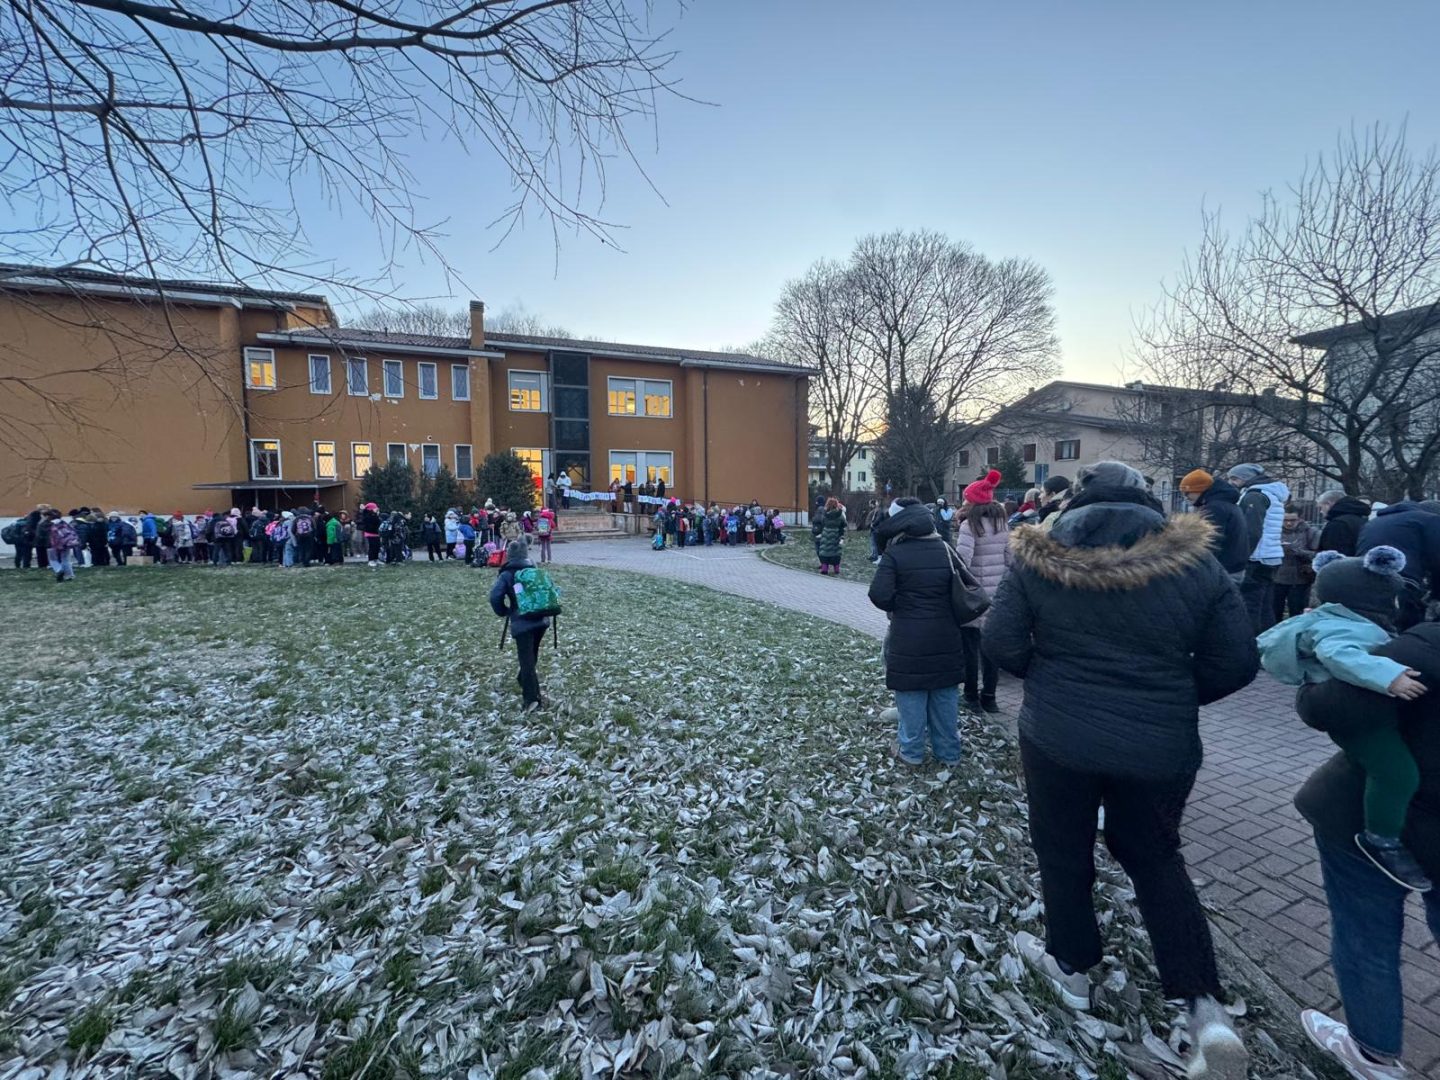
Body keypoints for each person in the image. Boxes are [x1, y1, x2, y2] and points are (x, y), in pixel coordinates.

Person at [984, 460, 1257, 1077]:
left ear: (1075, 502)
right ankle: (1205, 1010)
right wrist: (1169, 696)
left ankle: (1072, 968)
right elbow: (1237, 661)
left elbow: (1000, 643)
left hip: (1058, 737)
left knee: (1062, 849)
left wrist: (1053, 682)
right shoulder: (1198, 563)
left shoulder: (1038, 556)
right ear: (1149, 504)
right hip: (1160, 746)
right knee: (1158, 856)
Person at [1293, 622, 1440, 1080]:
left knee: (1366, 935)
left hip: (1375, 823)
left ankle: (1373, 1055)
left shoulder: (1425, 647)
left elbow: (1330, 703)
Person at [1259, 546, 1431, 891]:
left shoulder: (1344, 619)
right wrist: (1388, 676)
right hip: (1360, 720)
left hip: (1352, 714)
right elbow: (1339, 654)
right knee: (1398, 773)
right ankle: (1381, 838)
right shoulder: (1346, 628)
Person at [867, 497, 966, 768]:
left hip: (908, 635)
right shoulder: (946, 549)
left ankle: (911, 751)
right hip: (946, 634)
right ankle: (949, 752)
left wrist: (901, 605)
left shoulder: (895, 554)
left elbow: (879, 594)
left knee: (911, 691)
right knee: (945, 692)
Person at [954, 469, 1009, 714]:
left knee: (970, 650)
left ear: (971, 501)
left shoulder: (969, 525)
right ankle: (990, 697)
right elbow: (1011, 560)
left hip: (974, 597)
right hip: (996, 597)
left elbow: (963, 561)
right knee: (990, 650)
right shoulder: (1002, 524)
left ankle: (970, 695)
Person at [489, 539, 552, 712]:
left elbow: (495, 597)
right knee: (532, 654)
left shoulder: (506, 574)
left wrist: (504, 611)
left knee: (526, 661)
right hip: (541, 620)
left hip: (522, 623)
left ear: (509, 556)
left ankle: (532, 700)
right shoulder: (534, 569)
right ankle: (524, 679)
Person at [1358, 500, 1440, 631]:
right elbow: (1437, 559)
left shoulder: (1374, 522)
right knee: (1407, 631)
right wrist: (1436, 595)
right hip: (1402, 583)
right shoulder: (1431, 520)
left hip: (1363, 581)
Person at [1228, 462, 1290, 634]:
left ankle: (1251, 643)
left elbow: (1251, 531)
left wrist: (1241, 555)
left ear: (1246, 479)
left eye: (1234, 478)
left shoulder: (1253, 496)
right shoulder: (1272, 494)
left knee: (1250, 606)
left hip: (1256, 557)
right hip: (1271, 556)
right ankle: (1266, 642)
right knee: (1264, 606)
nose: (1231, 482)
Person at [1179, 470, 1251, 584]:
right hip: (1233, 568)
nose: (1186, 497)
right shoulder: (1227, 504)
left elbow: (1208, 543)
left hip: (1222, 570)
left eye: (1187, 492)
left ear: (1200, 490)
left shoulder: (1214, 508)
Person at [1273, 505, 1319, 622]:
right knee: (1274, 612)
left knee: (1297, 613)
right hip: (1277, 578)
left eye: (1292, 520)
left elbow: (1317, 554)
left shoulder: (1310, 532)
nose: (1288, 523)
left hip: (1300, 579)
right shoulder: (1274, 532)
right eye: (1285, 520)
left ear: (1300, 519)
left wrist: (1297, 551)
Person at [1316, 489, 1371, 557]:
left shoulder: (1337, 524)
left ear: (1328, 503)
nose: (1321, 511)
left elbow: (1332, 555)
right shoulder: (1362, 520)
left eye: (1321, 507)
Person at [45, 509, 80, 581]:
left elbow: (44, 535)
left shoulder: (48, 524)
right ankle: (69, 575)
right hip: (66, 543)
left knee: (53, 560)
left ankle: (59, 570)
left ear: (49, 516)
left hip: (52, 545)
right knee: (65, 559)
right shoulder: (63, 523)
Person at [816, 497, 846, 575]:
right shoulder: (839, 515)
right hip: (836, 534)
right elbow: (844, 523)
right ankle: (836, 569)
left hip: (826, 534)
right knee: (836, 552)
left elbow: (822, 522)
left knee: (824, 551)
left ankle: (825, 568)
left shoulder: (825, 514)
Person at [359, 502, 382, 567]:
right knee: (372, 547)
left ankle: (376, 559)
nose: (376, 509)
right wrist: (376, 515)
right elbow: (372, 522)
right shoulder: (368, 515)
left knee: (377, 547)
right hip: (370, 533)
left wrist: (376, 515)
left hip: (376, 533)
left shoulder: (374, 515)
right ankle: (371, 560)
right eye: (375, 508)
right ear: (371, 509)